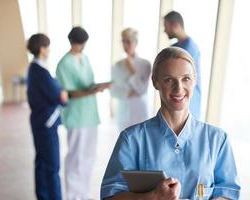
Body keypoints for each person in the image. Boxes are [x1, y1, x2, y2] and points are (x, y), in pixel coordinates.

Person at [101, 47, 240, 200]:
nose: (179, 88)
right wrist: (153, 196)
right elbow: (110, 196)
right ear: (155, 82)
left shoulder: (217, 140)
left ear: (195, 80)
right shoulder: (131, 139)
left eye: (186, 78)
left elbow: (228, 193)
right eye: (169, 80)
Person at [56, 26, 110, 200]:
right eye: (81, 44)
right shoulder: (64, 63)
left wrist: (98, 86)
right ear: (73, 42)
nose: (83, 47)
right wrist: (91, 91)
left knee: (88, 156)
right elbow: (68, 92)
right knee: (75, 157)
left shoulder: (85, 58)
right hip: (76, 115)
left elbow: (88, 84)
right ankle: (72, 196)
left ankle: (84, 194)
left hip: (90, 115)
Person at [26, 33, 68, 200]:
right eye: (47, 46)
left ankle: (43, 196)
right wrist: (62, 94)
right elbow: (59, 97)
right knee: (52, 165)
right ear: (42, 48)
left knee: (42, 164)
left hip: (39, 122)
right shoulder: (41, 72)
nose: (49, 50)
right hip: (46, 124)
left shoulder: (34, 68)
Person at [110, 28, 151, 131]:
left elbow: (142, 90)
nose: (125, 45)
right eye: (123, 41)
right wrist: (129, 93)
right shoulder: (118, 65)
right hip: (123, 113)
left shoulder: (145, 64)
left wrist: (132, 70)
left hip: (140, 111)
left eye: (128, 41)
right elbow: (113, 91)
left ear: (136, 42)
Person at [164, 11, 202, 120]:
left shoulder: (190, 48)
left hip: (189, 102)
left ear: (175, 25)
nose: (164, 30)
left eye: (166, 26)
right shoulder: (175, 46)